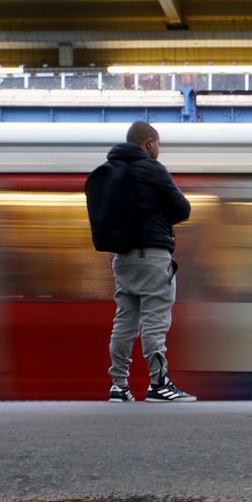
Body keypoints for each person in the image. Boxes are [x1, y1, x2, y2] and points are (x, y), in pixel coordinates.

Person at [87, 121, 196, 402]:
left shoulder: (110, 172)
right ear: (149, 143)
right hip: (153, 257)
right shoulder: (151, 168)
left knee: (124, 322)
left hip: (122, 259)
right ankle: (159, 384)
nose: (158, 150)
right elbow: (183, 209)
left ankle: (118, 385)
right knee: (155, 322)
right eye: (158, 144)